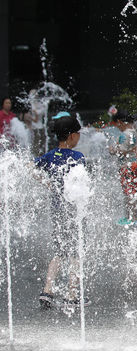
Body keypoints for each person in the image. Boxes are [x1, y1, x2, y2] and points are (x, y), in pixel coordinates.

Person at [34, 112, 89, 308]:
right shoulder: (78, 157)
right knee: (75, 253)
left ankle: (47, 290)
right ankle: (72, 293)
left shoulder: (49, 155)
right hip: (73, 212)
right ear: (72, 135)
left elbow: (31, 167)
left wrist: (47, 183)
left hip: (57, 211)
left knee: (59, 252)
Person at [108, 110, 137, 225]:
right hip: (133, 164)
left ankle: (131, 218)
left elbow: (122, 150)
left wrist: (113, 150)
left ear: (120, 122)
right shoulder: (132, 132)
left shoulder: (125, 134)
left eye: (117, 124)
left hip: (128, 165)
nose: (117, 127)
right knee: (131, 191)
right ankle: (131, 217)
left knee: (129, 192)